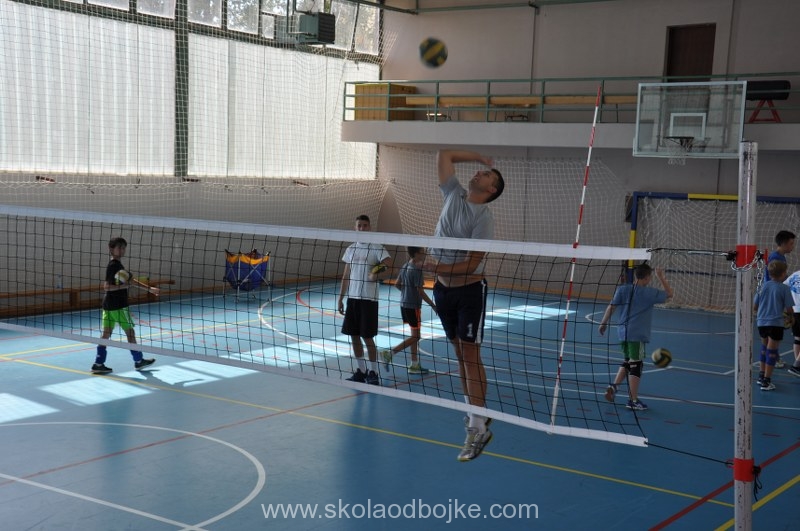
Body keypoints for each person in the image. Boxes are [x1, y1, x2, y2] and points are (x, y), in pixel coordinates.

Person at [424, 149, 505, 462]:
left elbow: (472, 264)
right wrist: (480, 159)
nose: (479, 174)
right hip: (443, 291)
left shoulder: (483, 218)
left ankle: (477, 426)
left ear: (491, 190)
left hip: (469, 291)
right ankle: (475, 412)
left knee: (470, 355)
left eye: (486, 176)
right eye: (481, 172)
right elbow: (444, 155)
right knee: (460, 354)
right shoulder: (453, 193)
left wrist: (437, 267)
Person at [598, 263, 673, 411]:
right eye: (650, 277)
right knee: (636, 365)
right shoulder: (649, 293)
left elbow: (611, 306)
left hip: (622, 332)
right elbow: (669, 294)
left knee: (628, 361)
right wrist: (661, 277)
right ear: (647, 278)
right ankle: (633, 400)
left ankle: (614, 387)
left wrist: (603, 323)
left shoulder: (623, 289)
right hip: (636, 334)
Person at [92, 237, 159, 374]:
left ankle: (98, 363)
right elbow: (107, 287)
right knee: (130, 333)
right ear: (111, 249)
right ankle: (138, 361)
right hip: (118, 306)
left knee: (105, 334)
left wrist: (149, 289)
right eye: (119, 248)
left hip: (108, 305)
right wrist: (125, 286)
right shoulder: (114, 266)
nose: (122, 250)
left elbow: (131, 281)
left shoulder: (117, 265)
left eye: (123, 248)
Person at [338, 215, 391, 386]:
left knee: (367, 337)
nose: (362, 228)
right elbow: (346, 276)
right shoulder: (351, 249)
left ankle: (373, 371)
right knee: (354, 336)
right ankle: (361, 371)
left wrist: (375, 272)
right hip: (353, 299)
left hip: (369, 299)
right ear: (355, 228)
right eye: (359, 225)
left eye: (365, 225)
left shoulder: (376, 246)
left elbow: (388, 262)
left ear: (369, 227)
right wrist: (341, 298)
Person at [380, 247, 437, 374]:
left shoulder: (405, 265)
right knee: (416, 336)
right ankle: (389, 353)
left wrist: (406, 293)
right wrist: (433, 305)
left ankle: (414, 364)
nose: (424, 254)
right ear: (416, 254)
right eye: (422, 252)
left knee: (414, 336)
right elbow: (420, 291)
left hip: (404, 304)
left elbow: (397, 284)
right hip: (413, 306)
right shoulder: (416, 269)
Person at [754, 260, 794, 390]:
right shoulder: (784, 288)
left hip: (761, 322)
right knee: (772, 351)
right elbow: (789, 309)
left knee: (764, 348)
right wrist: (791, 318)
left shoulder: (762, 286)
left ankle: (761, 376)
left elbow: (755, 306)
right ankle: (766, 381)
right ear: (783, 274)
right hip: (775, 323)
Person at [765, 230, 795, 368]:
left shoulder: (780, 257)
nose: (793, 246)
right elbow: (774, 278)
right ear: (783, 243)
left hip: (775, 295)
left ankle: (773, 356)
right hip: (773, 297)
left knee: (774, 330)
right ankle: (772, 358)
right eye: (791, 243)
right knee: (773, 330)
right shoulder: (775, 257)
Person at [784, 267, 800, 377]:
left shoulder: (795, 274)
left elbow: (784, 286)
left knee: (798, 339)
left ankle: (797, 366)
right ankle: (796, 366)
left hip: (795, 311)